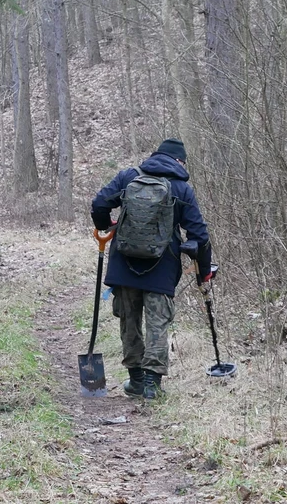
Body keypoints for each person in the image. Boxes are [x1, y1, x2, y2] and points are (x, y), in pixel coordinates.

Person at [90, 138, 212, 399]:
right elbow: (199, 235)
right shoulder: (182, 189)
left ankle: (135, 380)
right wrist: (204, 271)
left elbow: (99, 204)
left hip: (124, 263)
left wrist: (105, 225)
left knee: (129, 322)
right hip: (162, 266)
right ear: (180, 162)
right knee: (158, 323)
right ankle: (151, 386)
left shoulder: (128, 177)